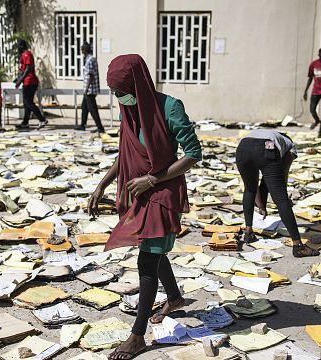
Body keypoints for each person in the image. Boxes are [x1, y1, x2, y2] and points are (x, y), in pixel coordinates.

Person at [88, 54, 202, 360]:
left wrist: (151, 179)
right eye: (114, 94)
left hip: (162, 192)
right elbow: (125, 152)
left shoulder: (169, 107)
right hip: (139, 192)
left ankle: (137, 336)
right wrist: (102, 183)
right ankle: (175, 298)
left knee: (146, 262)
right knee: (152, 249)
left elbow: (192, 153)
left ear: (139, 85)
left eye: (122, 92)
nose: (119, 99)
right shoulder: (130, 109)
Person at [236, 130, 319, 258]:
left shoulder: (267, 134)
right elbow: (282, 172)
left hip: (243, 147)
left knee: (249, 189)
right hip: (265, 148)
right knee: (281, 200)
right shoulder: (290, 145)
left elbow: (258, 184)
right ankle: (298, 246)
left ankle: (248, 232)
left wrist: (261, 205)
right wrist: (281, 194)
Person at [14, 39, 48, 130]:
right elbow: (23, 69)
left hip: (30, 82)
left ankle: (42, 119)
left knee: (28, 102)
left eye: (18, 46)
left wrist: (20, 80)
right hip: (27, 81)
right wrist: (18, 78)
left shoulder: (27, 54)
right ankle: (25, 122)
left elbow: (28, 69)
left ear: (21, 46)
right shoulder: (23, 55)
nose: (17, 48)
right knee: (26, 103)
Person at [75, 42, 104, 133]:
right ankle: (82, 125)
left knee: (92, 109)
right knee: (84, 107)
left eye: (82, 49)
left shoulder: (90, 60)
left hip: (90, 89)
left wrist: (86, 88)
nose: (82, 51)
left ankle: (100, 127)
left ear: (85, 50)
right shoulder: (89, 59)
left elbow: (91, 75)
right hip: (89, 89)